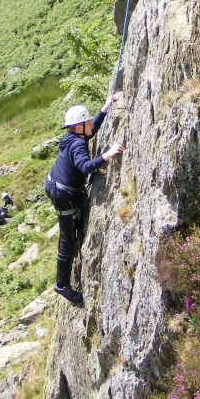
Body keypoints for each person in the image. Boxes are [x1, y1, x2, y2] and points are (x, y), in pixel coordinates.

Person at [45, 96, 123, 305]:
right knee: (67, 240)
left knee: (72, 229)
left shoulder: (72, 137)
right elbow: (85, 167)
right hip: (65, 196)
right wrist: (108, 154)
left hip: (58, 187)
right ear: (79, 127)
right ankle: (61, 284)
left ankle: (76, 223)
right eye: (86, 122)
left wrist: (104, 109)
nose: (90, 125)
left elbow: (92, 130)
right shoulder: (78, 144)